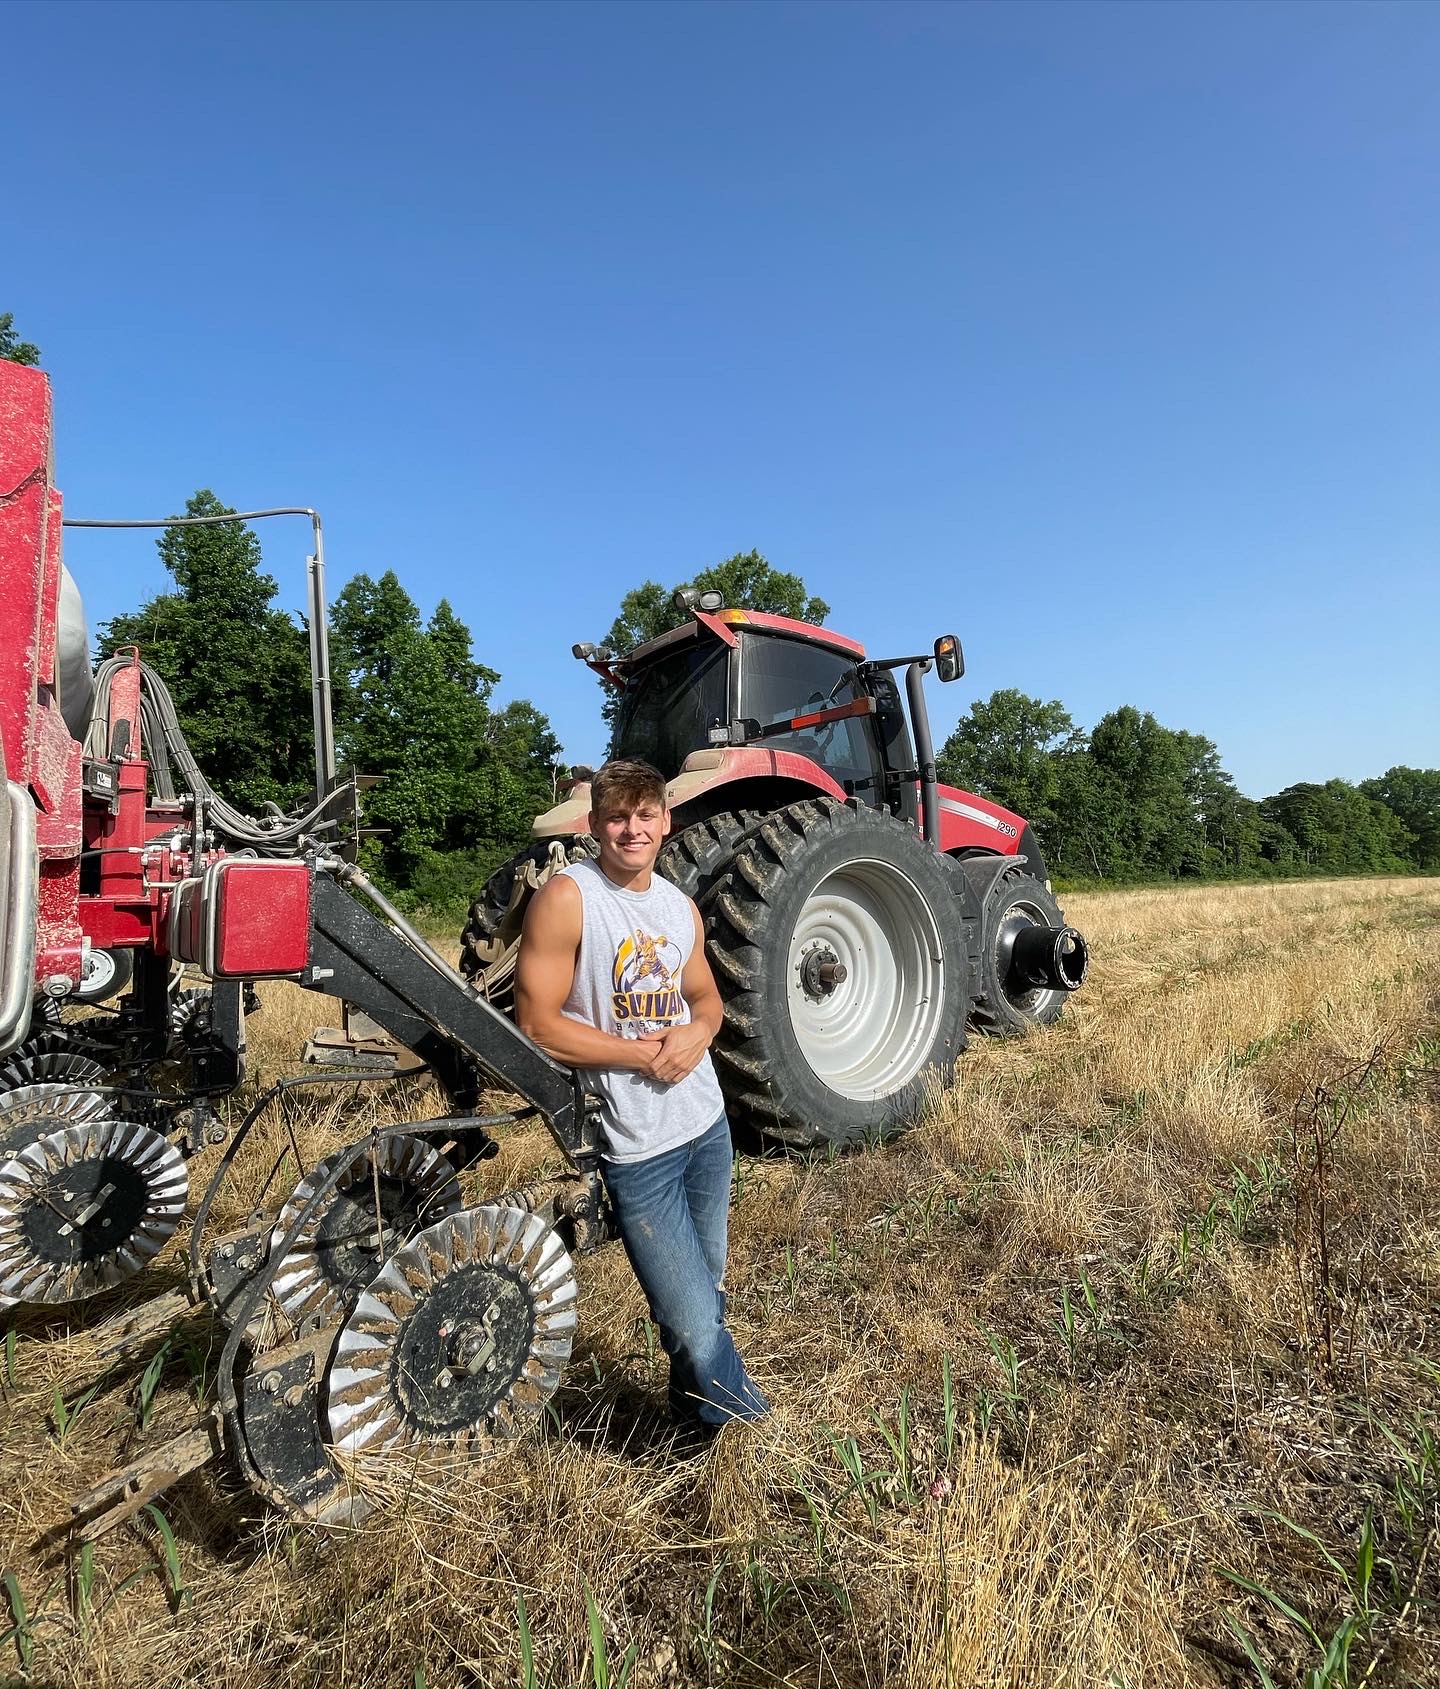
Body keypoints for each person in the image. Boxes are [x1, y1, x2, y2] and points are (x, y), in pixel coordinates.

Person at [516, 758, 768, 1436]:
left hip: (707, 1127)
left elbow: (709, 1000)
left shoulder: (678, 906)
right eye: (618, 816)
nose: (633, 828)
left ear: (666, 821)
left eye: (645, 815)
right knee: (686, 1313)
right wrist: (641, 1054)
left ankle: (692, 1422)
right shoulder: (569, 897)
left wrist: (697, 1034)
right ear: (595, 823)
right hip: (637, 1143)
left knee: (706, 1290)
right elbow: (537, 1021)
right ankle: (749, 1431)